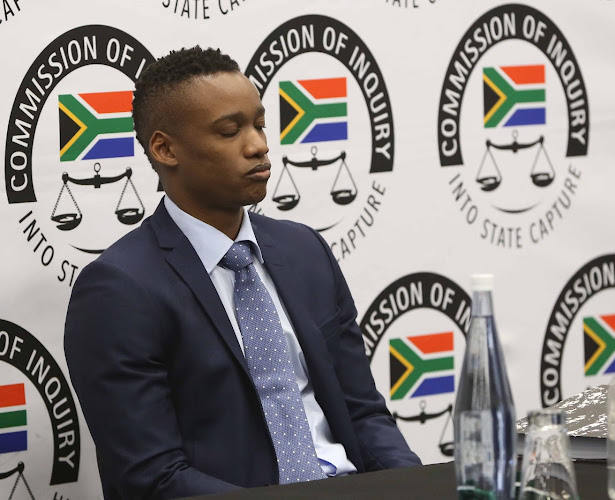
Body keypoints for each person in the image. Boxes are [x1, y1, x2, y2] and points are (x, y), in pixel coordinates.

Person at [64, 46, 420, 500]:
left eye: (260, 124)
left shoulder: (305, 250)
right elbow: (151, 477)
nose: (258, 145)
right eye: (230, 131)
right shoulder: (119, 290)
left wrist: (415, 486)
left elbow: (364, 413)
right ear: (165, 148)